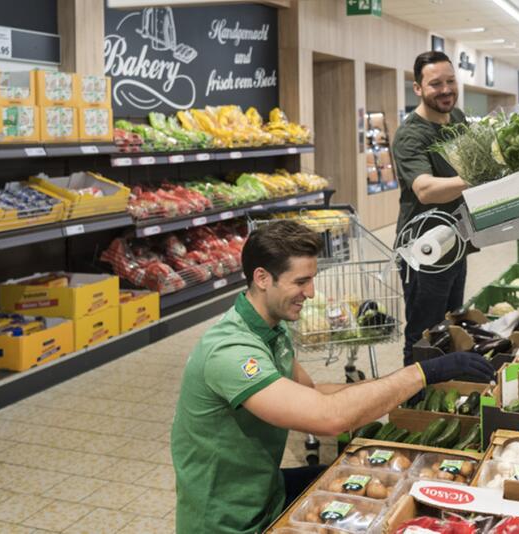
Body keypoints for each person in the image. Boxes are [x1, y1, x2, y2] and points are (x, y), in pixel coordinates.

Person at [170, 220, 493, 534]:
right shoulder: (231, 351)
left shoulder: (273, 329)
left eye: (312, 279)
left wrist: (402, 389)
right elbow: (328, 417)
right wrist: (423, 372)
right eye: (300, 282)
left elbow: (312, 391)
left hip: (266, 491)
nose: (310, 293)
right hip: (227, 520)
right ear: (262, 278)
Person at [391, 50, 469, 367]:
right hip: (423, 250)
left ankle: (444, 382)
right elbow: (424, 190)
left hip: (456, 240)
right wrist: (476, 179)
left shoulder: (458, 119)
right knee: (423, 333)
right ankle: (414, 393)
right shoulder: (410, 134)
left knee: (450, 322)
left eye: (451, 81)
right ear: (418, 88)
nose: (446, 89)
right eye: (436, 83)